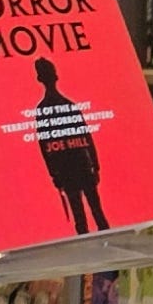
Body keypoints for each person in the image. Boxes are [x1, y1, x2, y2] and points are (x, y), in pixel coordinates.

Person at [29, 57, 107, 232]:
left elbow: (46, 146)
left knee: (86, 217)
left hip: (72, 168)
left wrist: (55, 174)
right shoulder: (64, 106)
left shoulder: (45, 110)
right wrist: (95, 166)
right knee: (93, 214)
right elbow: (47, 145)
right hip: (75, 167)